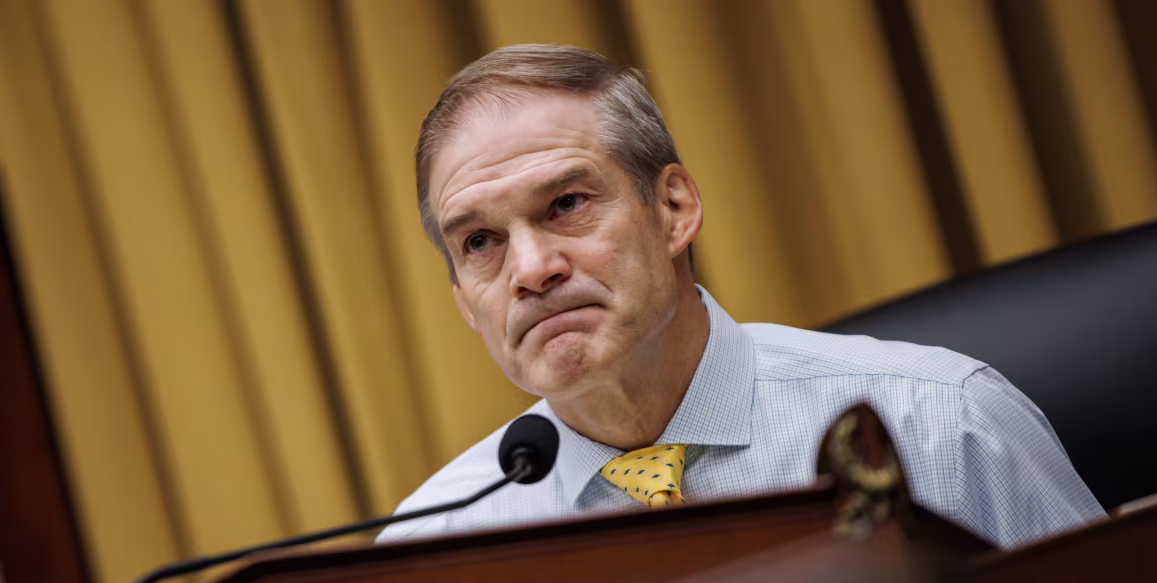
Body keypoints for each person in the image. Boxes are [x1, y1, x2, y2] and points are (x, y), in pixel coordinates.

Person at [378, 44, 1103, 547]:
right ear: (465, 303)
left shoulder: (943, 423)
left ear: (674, 209)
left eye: (566, 203)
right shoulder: (430, 549)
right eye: (480, 242)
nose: (531, 269)